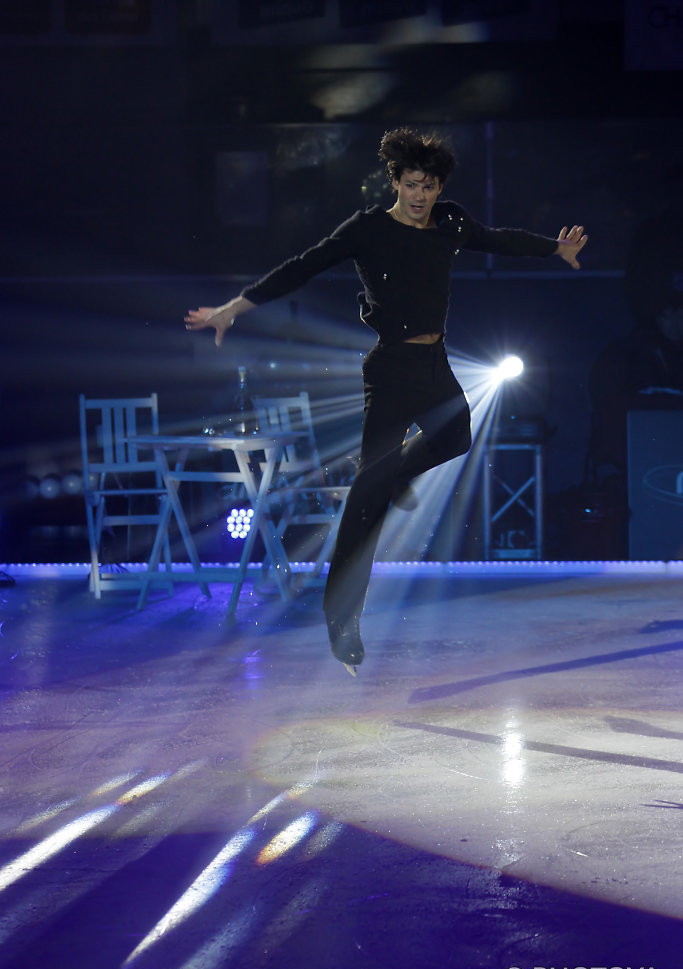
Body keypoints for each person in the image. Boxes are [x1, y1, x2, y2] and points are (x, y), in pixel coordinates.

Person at [185, 127, 588, 674]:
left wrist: (554, 247)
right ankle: (343, 618)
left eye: (430, 185)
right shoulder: (369, 229)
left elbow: (498, 238)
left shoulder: (450, 221)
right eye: (412, 185)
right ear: (395, 181)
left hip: (435, 363)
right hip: (392, 369)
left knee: (455, 435)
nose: (421, 195)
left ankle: (387, 472)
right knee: (367, 500)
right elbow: (304, 265)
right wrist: (235, 307)